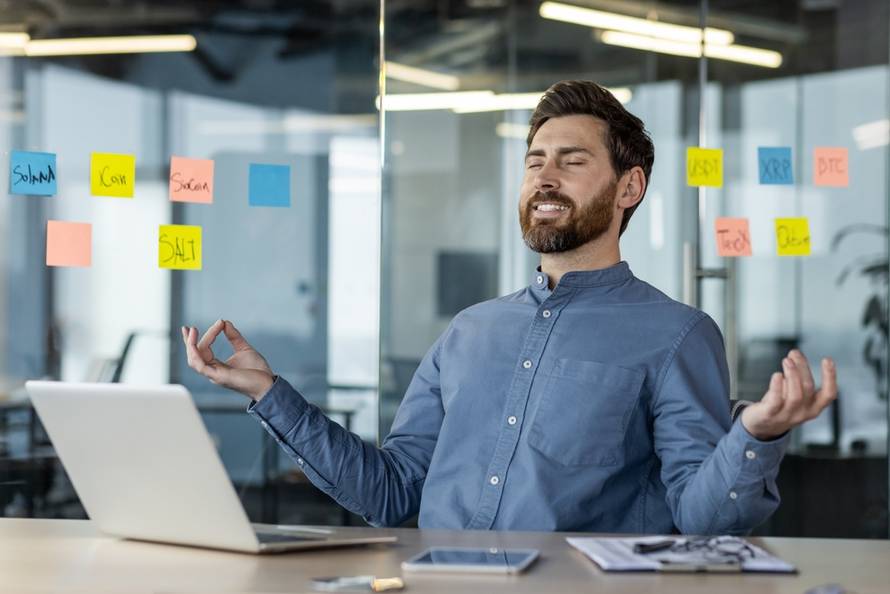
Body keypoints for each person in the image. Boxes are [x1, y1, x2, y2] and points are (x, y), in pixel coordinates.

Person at [182, 80, 837, 534]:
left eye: (571, 162)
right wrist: (270, 393)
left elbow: (700, 517)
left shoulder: (676, 335)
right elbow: (389, 494)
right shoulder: (469, 333)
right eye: (534, 163)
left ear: (629, 186)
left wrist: (758, 435)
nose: (545, 179)